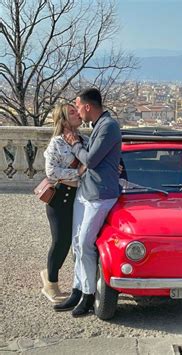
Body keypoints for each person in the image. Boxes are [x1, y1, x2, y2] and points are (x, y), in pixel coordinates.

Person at [53, 88, 122, 317]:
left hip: (100, 194)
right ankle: (77, 289)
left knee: (85, 244)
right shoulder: (98, 125)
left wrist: (74, 144)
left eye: (78, 106)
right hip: (86, 191)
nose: (78, 111)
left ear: (88, 106)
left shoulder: (108, 126)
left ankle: (89, 294)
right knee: (77, 243)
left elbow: (91, 160)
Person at [41, 103, 88, 303]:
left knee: (79, 242)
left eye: (76, 110)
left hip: (79, 197)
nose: (77, 114)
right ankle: (50, 284)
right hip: (60, 198)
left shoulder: (85, 140)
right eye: (71, 112)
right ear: (63, 120)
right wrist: (77, 172)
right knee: (61, 242)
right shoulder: (57, 143)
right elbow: (52, 172)